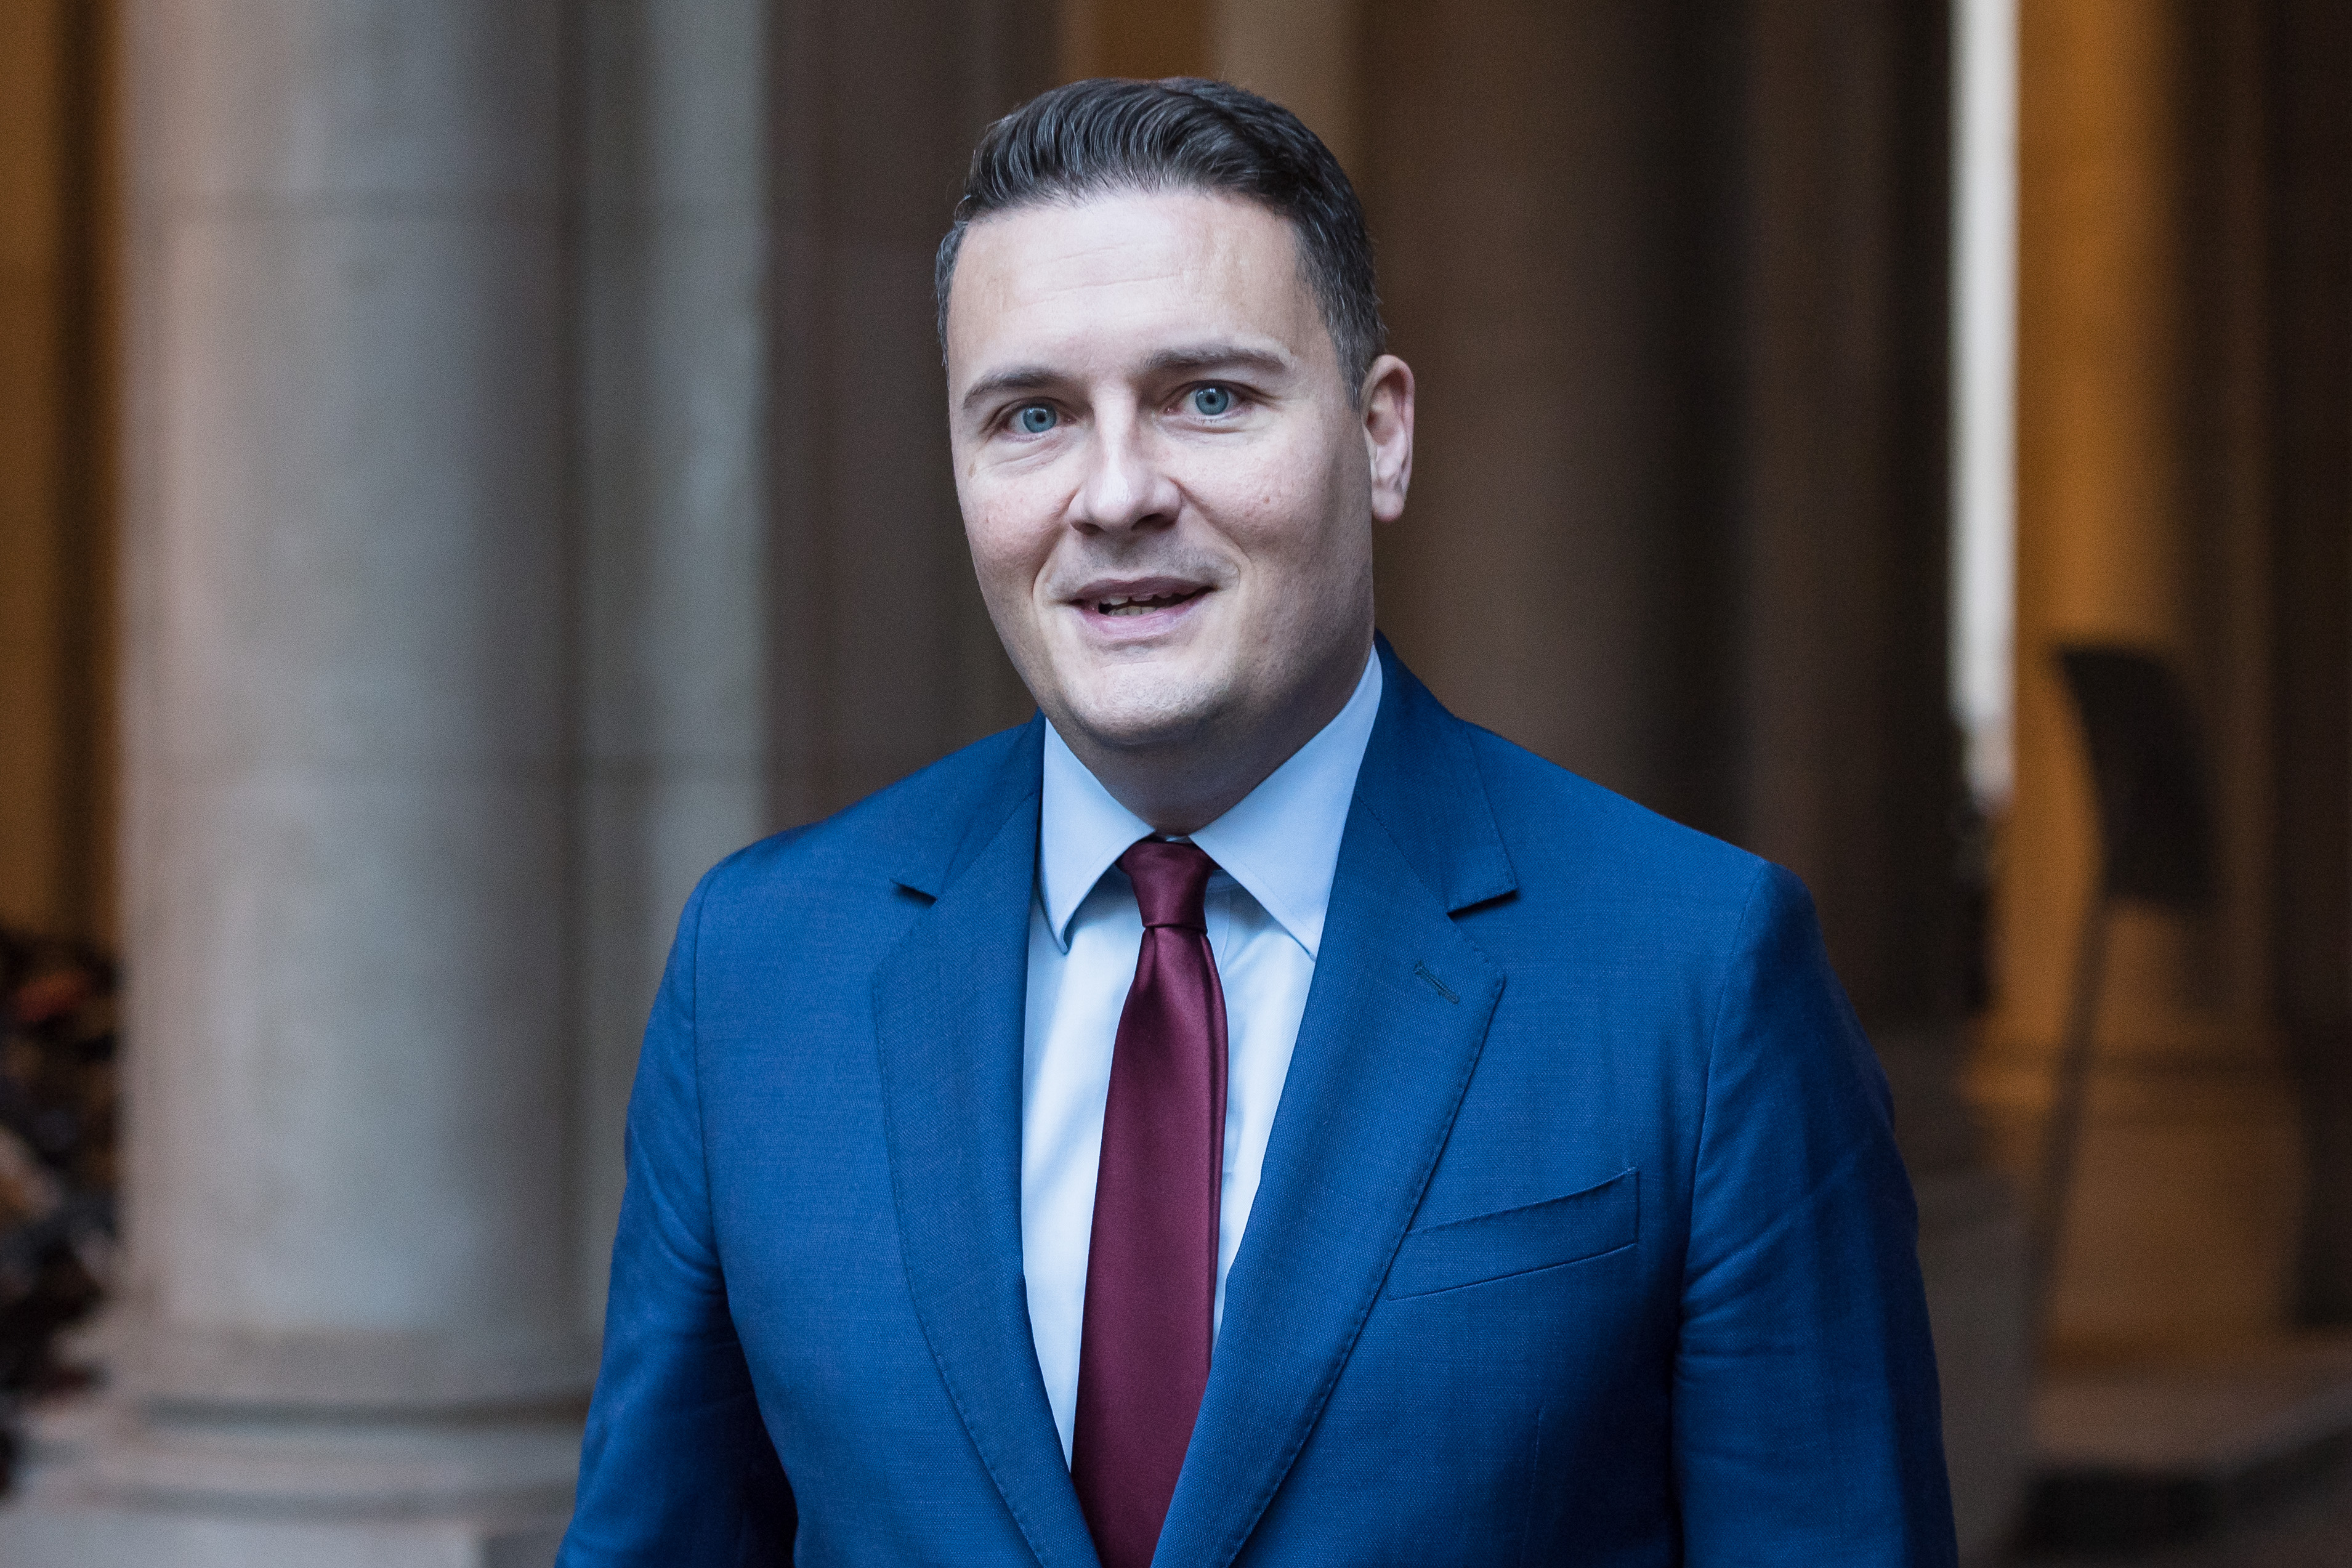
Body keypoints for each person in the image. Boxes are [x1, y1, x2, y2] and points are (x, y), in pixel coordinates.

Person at [559, 77, 1955, 1567]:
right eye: (1031, 416)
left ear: (1380, 435)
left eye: (1205, 396)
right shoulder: (762, 970)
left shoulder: (1696, 977)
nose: (1113, 493)